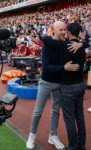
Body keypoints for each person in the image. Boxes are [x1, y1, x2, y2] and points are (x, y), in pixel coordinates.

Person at [26, 21, 80, 150]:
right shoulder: (47, 45)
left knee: (55, 111)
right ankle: (31, 135)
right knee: (38, 111)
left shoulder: (64, 43)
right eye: (60, 29)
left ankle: (53, 135)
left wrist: (81, 43)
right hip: (46, 82)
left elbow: (85, 44)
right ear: (53, 30)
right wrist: (64, 67)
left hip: (60, 83)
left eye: (64, 29)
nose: (63, 32)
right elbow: (46, 66)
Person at [42, 22, 88, 150]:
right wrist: (82, 42)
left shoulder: (64, 45)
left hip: (68, 87)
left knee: (69, 119)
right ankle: (81, 146)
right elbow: (86, 41)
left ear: (68, 32)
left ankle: (73, 146)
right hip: (80, 85)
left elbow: (45, 39)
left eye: (65, 30)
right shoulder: (81, 47)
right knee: (80, 116)